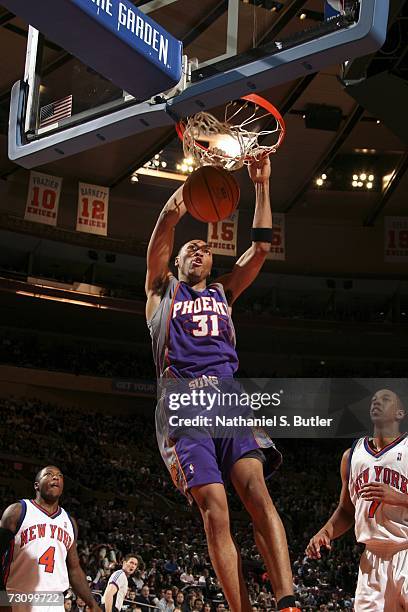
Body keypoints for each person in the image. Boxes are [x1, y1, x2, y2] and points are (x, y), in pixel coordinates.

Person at [146, 157, 298, 612]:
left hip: (229, 398)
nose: (198, 251)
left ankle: (288, 599)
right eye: (189, 248)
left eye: (204, 248)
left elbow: (261, 249)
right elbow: (162, 231)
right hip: (184, 402)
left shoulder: (224, 293)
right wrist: (183, 197)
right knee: (217, 510)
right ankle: (241, 609)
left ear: (213, 261)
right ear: (176, 261)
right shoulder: (161, 291)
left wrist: (263, 185)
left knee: (257, 493)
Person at [306, 388, 408, 611]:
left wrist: (400, 497)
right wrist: (325, 532)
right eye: (374, 399)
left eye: (386, 399)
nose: (377, 402)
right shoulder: (352, 455)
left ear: (400, 413)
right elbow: (346, 509)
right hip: (371, 560)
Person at [0, 465, 100, 612]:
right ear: (36, 485)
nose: (55, 477)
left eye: (60, 475)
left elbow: (74, 569)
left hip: (53, 601)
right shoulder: (17, 511)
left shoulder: (69, 522)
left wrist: (92, 603)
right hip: (16, 596)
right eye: (49, 474)